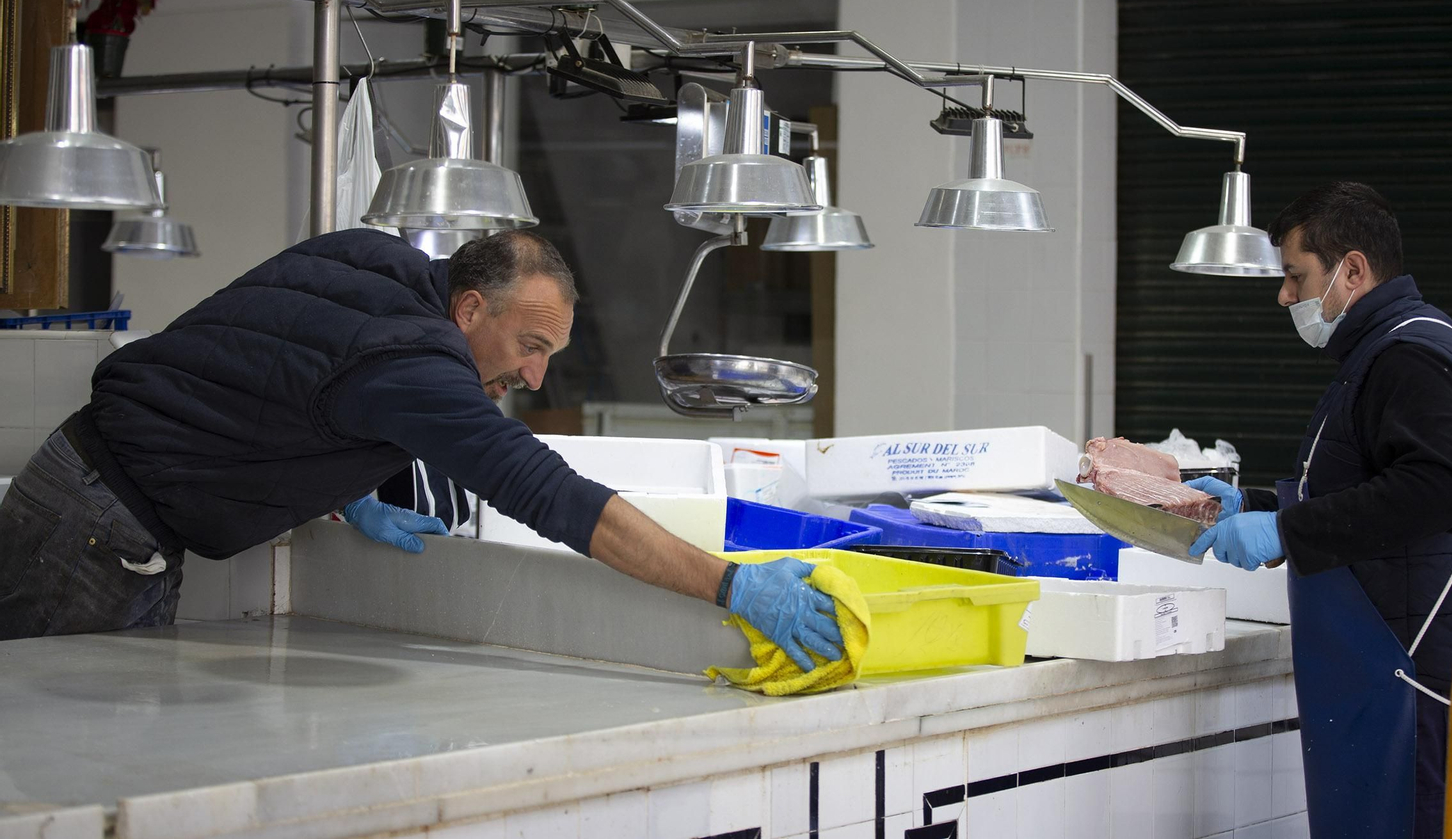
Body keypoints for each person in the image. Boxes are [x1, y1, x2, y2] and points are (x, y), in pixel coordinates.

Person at [0, 228, 843, 673]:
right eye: (530, 346)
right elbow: (551, 495)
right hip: (94, 531)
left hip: (84, 488)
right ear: (470, 308)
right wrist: (731, 584)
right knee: (58, 762)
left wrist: (347, 484)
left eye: (550, 353)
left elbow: (271, 369)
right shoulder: (416, 363)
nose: (534, 375)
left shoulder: (373, 257)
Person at [1186, 182, 1452, 839]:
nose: (1285, 296)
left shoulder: (1410, 356)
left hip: (1413, 665)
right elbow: (1365, 484)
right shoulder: (1382, 350)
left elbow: (1432, 489)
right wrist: (1256, 504)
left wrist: (1285, 529)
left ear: (1353, 270)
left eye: (1295, 276)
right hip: (1387, 656)